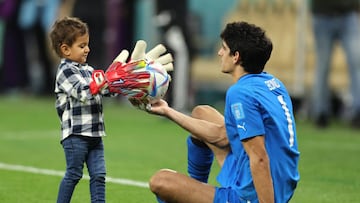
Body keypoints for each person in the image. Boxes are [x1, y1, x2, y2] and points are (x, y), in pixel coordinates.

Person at [138, 21, 300, 202]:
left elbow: (259, 157)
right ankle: (196, 188)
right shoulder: (273, 83)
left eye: (224, 48)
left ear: (236, 56)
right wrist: (168, 111)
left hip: (258, 193)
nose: (219, 53)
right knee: (202, 112)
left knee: (161, 181)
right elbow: (223, 136)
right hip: (282, 181)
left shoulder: (240, 93)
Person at [49, 16, 116, 203]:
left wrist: (118, 82)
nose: (87, 49)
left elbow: (106, 92)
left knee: (99, 175)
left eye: (87, 44)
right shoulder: (65, 71)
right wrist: (103, 82)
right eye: (82, 45)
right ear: (65, 49)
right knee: (74, 174)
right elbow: (83, 92)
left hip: (95, 134)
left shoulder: (89, 69)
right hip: (76, 135)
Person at [310, 0, 360, 128]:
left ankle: (357, 112)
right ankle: (321, 113)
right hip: (322, 15)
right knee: (323, 67)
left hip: (348, 15)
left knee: (356, 64)